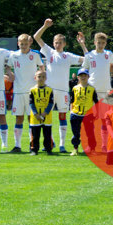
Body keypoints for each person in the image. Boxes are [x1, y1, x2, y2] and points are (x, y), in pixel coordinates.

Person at [34, 19, 83, 153]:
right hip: (49, 91)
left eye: (60, 42)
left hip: (63, 91)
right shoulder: (49, 52)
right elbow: (36, 37)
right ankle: (49, 142)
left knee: (62, 117)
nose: (57, 44)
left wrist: (83, 45)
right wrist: (44, 26)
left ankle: (62, 145)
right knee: (45, 117)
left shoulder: (68, 56)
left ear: (64, 44)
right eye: (55, 42)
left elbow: (87, 59)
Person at [77, 31, 113, 151]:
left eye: (103, 43)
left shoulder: (109, 54)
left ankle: (104, 145)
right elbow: (84, 70)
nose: (101, 45)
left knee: (105, 120)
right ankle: (91, 145)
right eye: (98, 42)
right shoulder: (89, 55)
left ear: (105, 43)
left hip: (106, 91)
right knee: (90, 120)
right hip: (92, 91)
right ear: (95, 42)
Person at [8, 34, 44, 153]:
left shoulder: (35, 55)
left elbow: (41, 67)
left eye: (25, 43)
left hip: (31, 92)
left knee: (31, 118)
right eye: (21, 44)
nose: (23, 46)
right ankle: (17, 145)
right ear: (18, 44)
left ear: (29, 43)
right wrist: (10, 73)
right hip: (18, 91)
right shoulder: (14, 55)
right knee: (18, 118)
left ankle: (32, 144)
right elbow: (7, 67)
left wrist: (40, 77)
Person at [69, 68, 98, 156]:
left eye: (85, 75)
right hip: (76, 114)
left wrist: (96, 113)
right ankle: (75, 148)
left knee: (90, 133)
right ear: (78, 77)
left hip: (88, 114)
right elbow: (72, 101)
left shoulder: (92, 89)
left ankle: (92, 149)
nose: (83, 77)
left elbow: (96, 102)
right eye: (81, 76)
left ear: (88, 77)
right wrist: (71, 111)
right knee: (76, 133)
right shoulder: (75, 88)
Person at [28, 70, 55, 155]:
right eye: (39, 76)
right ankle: (34, 150)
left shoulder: (50, 90)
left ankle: (48, 149)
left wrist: (45, 113)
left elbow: (51, 103)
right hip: (35, 116)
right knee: (35, 135)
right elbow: (31, 103)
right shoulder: (32, 90)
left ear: (46, 78)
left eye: (43, 77)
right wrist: (36, 113)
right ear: (35, 78)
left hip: (47, 115)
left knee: (47, 134)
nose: (41, 78)